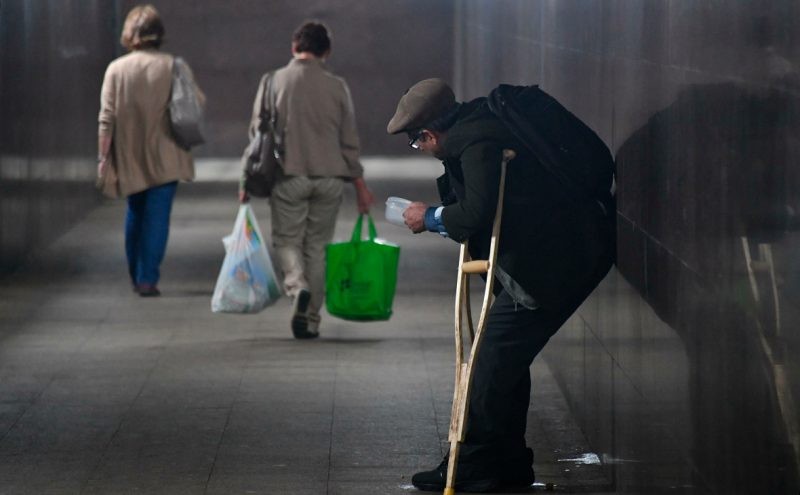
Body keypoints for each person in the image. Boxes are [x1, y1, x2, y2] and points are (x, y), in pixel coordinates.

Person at [387, 79, 615, 492]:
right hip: (554, 255)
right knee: (502, 361)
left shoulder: (477, 143)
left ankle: (474, 463)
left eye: (417, 143)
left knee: (489, 362)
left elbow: (476, 211)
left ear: (429, 134)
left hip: (557, 264)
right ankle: (506, 463)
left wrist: (431, 217)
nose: (421, 149)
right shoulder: (479, 124)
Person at [240, 21, 374, 339]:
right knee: (318, 247)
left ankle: (296, 287)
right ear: (326, 52)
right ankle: (312, 318)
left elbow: (257, 135)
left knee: (287, 240)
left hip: (289, 176)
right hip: (329, 178)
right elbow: (349, 141)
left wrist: (246, 181)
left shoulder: (272, 81)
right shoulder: (337, 86)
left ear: (294, 48)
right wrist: (360, 186)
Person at [97, 4, 204, 297]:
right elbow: (195, 105)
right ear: (159, 34)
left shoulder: (116, 70)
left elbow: (106, 118)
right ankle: (147, 278)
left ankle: (136, 272)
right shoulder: (173, 66)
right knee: (157, 217)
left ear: (130, 34)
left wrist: (103, 157)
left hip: (129, 152)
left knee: (135, 211)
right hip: (167, 152)